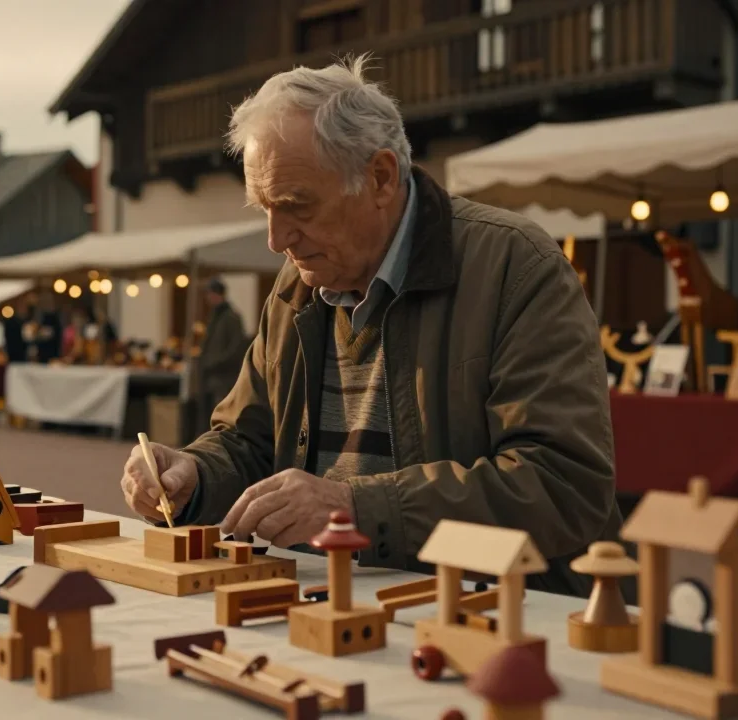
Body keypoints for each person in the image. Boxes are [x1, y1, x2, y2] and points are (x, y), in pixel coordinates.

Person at [118, 56, 619, 597]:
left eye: (295, 205)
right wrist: (193, 474)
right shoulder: (296, 287)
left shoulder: (516, 266)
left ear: (380, 177)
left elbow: (563, 485)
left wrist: (355, 508)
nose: (276, 238)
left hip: (489, 614)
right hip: (324, 602)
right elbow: (250, 442)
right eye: (263, 207)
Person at [195, 277, 249, 434]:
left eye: (210, 294)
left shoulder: (231, 317)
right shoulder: (215, 316)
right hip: (211, 376)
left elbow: (236, 348)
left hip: (224, 377)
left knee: (221, 419)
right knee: (209, 415)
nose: (207, 298)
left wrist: (215, 363)